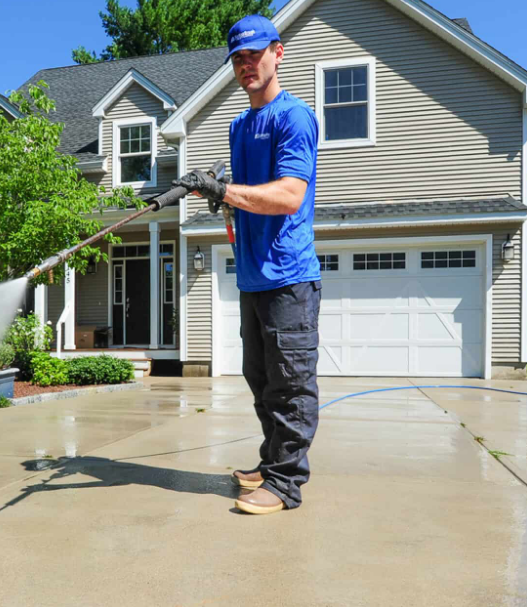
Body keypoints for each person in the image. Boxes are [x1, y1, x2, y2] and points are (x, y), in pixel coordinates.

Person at [174, 14, 321, 516]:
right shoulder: (240, 125)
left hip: (289, 276)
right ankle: (271, 462)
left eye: (254, 55)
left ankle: (285, 484)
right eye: (237, 58)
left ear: (277, 52)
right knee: (261, 381)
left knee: (290, 383)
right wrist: (223, 197)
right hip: (253, 276)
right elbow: (244, 198)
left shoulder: (293, 117)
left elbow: (287, 195)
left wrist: (224, 190)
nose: (245, 65)